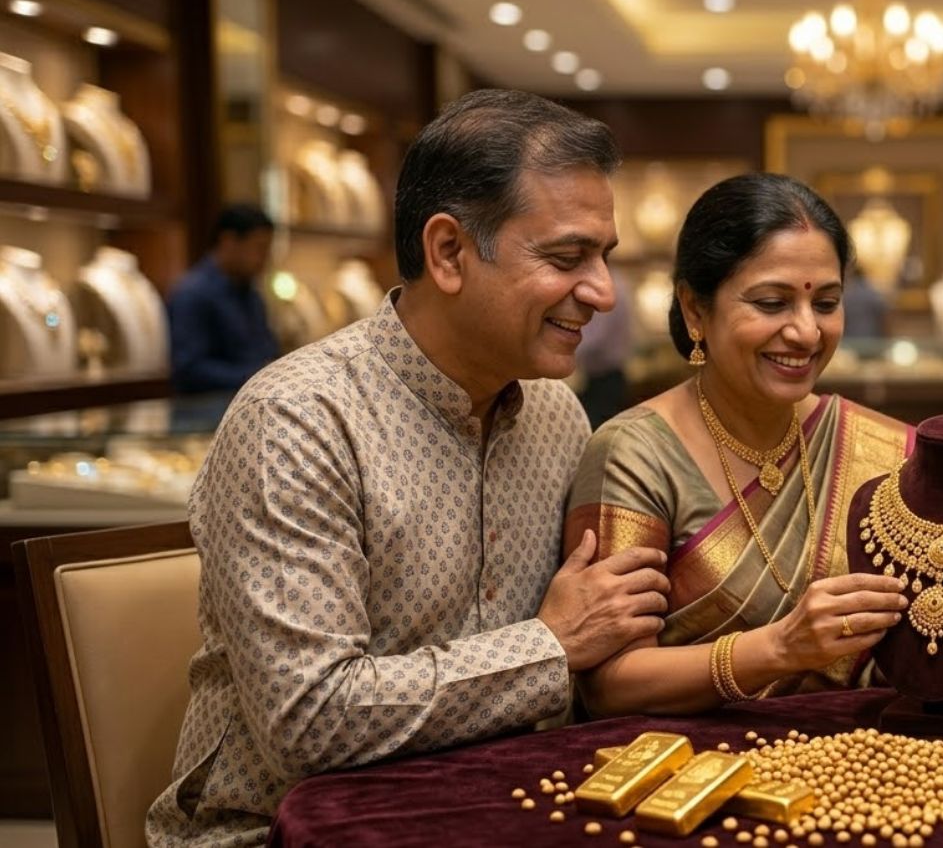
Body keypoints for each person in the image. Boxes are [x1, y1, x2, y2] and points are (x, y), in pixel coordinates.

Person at [147, 90, 670, 846]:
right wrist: (549, 646)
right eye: (567, 257)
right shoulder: (298, 420)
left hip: (496, 812)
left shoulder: (558, 416)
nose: (602, 292)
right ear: (449, 252)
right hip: (274, 832)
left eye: (604, 258)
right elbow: (310, 721)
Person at [564, 173, 911, 717]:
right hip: (689, 775)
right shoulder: (634, 455)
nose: (806, 332)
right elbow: (609, 686)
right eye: (772, 303)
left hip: (858, 767)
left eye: (825, 303)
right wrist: (778, 649)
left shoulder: (875, 445)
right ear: (696, 309)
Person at [166, 204, 280, 394]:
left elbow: (266, 349)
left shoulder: (251, 294)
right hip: (206, 412)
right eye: (259, 248)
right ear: (229, 241)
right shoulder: (193, 293)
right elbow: (189, 369)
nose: (265, 258)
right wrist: (257, 375)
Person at [575, 267, 633, 429]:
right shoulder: (620, 282)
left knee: (598, 430)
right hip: (606, 375)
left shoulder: (608, 291)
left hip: (605, 377)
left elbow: (594, 338)